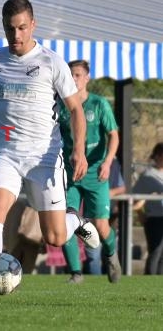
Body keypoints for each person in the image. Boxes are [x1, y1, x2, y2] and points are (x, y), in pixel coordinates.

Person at [0, 0, 101, 277]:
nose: (16, 35)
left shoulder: (51, 62)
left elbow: (75, 109)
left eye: (22, 27)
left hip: (45, 157)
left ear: (33, 25)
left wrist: (78, 150)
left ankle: (74, 220)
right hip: (5, 154)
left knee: (54, 236)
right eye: (9, 28)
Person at [58, 59, 122, 284]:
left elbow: (113, 135)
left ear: (87, 78)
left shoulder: (98, 104)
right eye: (70, 75)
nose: (73, 79)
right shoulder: (61, 105)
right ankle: (76, 273)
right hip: (71, 174)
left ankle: (111, 255)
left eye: (77, 75)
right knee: (65, 220)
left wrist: (107, 163)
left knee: (101, 226)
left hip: (96, 174)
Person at [84, 158, 126, 275]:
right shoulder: (82, 159)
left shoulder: (114, 163)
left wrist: (110, 193)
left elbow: (123, 187)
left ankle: (112, 277)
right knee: (92, 254)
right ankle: (94, 283)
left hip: (109, 215)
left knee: (109, 252)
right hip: (87, 215)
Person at [132, 142, 163, 275]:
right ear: (157, 156)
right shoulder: (148, 175)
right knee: (155, 252)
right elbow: (134, 197)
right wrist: (140, 213)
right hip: (155, 219)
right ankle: (149, 279)